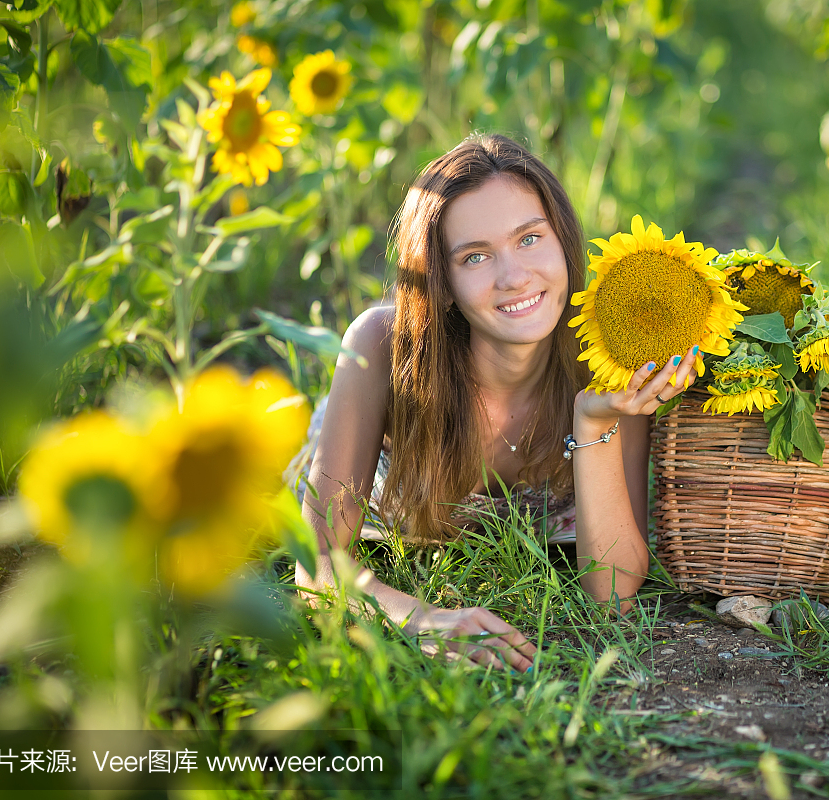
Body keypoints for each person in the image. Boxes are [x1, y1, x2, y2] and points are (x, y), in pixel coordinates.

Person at [296, 134, 699, 671]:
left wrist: (595, 420)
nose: (514, 277)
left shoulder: (605, 352)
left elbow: (614, 594)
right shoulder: (381, 346)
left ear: (563, 241)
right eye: (476, 256)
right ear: (442, 282)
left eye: (530, 238)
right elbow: (316, 564)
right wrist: (422, 619)